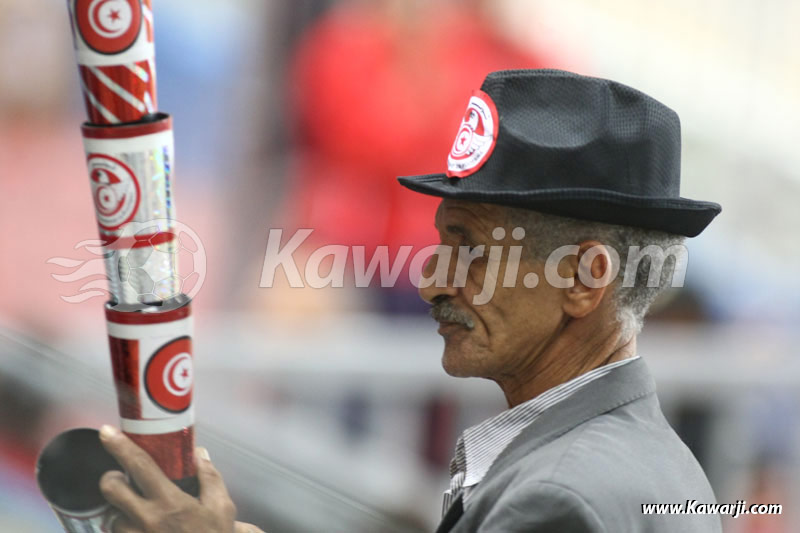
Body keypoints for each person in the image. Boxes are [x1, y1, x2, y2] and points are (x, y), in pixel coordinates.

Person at [96, 69, 723, 532]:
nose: (431, 282)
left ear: (586, 279)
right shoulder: (653, 465)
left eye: (473, 251)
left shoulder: (559, 496)